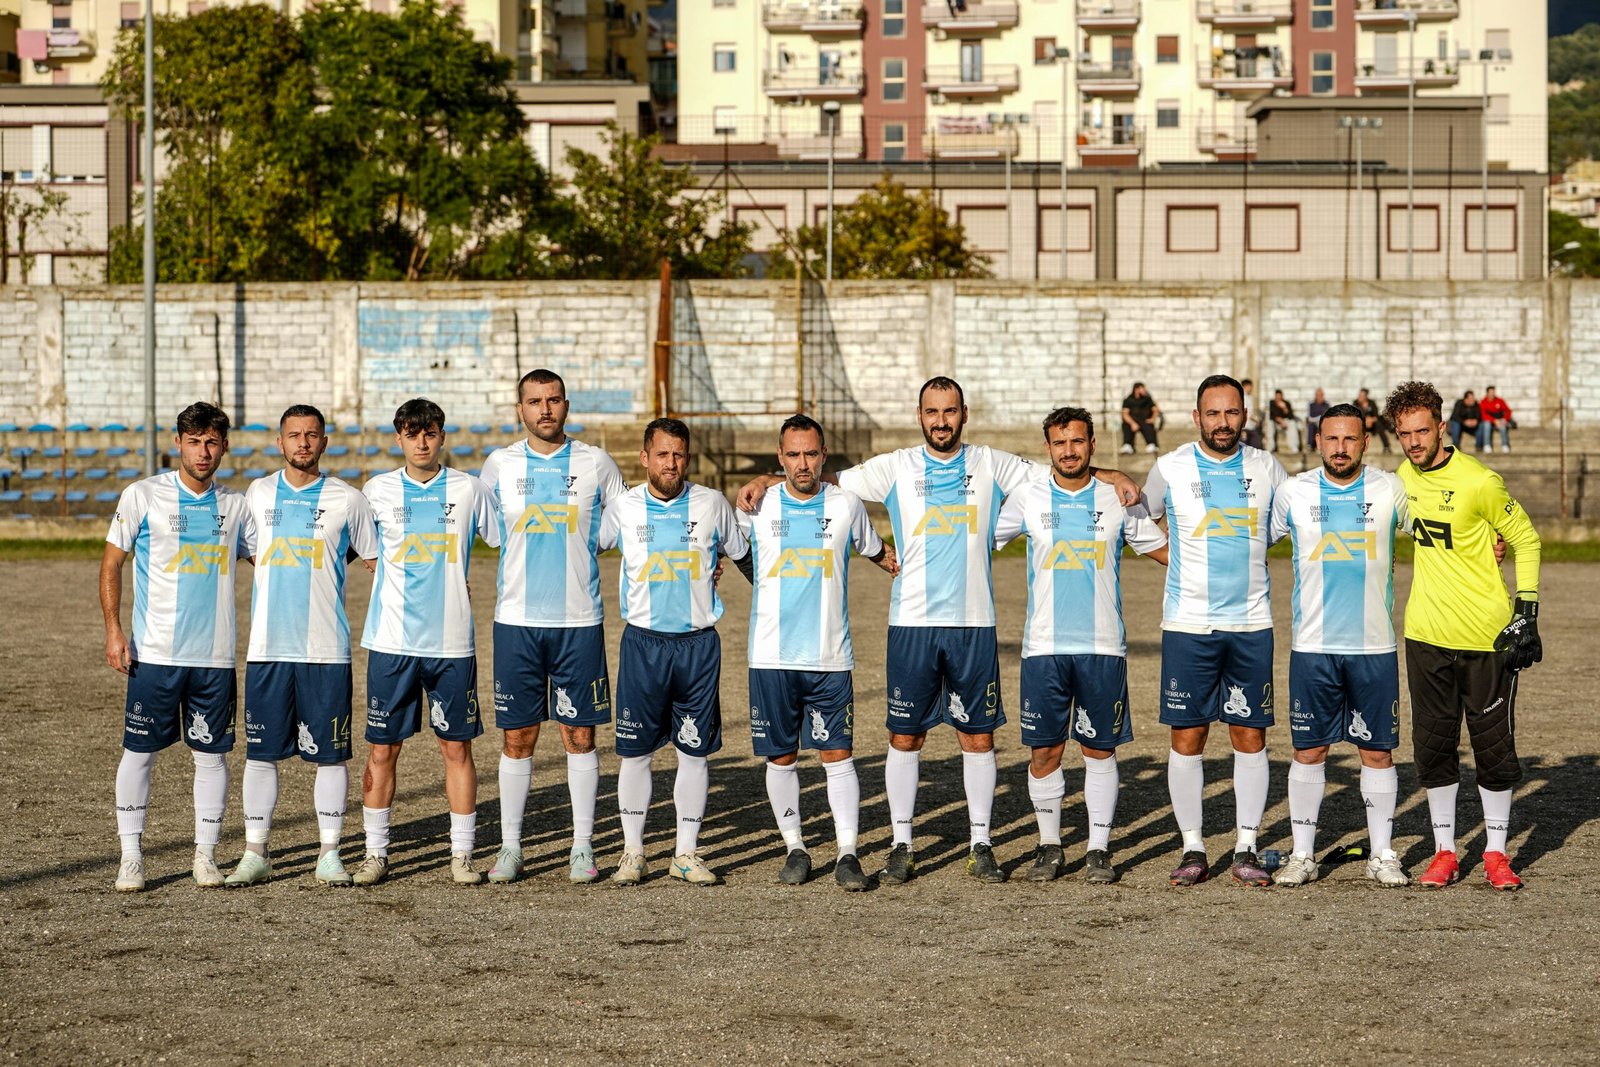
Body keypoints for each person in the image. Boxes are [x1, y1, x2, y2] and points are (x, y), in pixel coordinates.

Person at [735, 377, 1136, 885]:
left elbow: (1063, 467)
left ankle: (981, 842)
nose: (941, 421)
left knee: (978, 737)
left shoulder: (992, 463)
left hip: (973, 624)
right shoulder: (896, 467)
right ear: (919, 415)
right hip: (911, 624)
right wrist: (771, 480)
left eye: (949, 411)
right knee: (904, 737)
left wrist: (1113, 471)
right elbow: (819, 475)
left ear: (964, 414)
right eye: (932, 412)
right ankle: (902, 843)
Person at [993, 406, 1168, 884]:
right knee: (1044, 751)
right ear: (1047, 447)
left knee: (1099, 750)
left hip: (1103, 647)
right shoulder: (1028, 497)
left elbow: (1161, 551)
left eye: (1077, 441)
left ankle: (1098, 848)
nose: (1068, 451)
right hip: (1043, 648)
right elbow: (978, 538)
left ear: (1092, 444)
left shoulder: (1116, 498)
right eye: (1059, 443)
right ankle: (1050, 845)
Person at [1384, 381, 1542, 891]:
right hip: (1425, 634)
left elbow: (1527, 539)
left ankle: (1496, 853)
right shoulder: (1401, 478)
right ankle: (1445, 851)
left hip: (1485, 638)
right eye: (1404, 433)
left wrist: (1528, 609)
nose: (1413, 442)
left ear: (1441, 426)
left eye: (1421, 431)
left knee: (1493, 747)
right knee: (1433, 747)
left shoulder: (1480, 481)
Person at [478, 370, 626, 885]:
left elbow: (621, 521)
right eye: (534, 401)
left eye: (553, 400)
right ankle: (511, 846)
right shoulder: (498, 465)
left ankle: (582, 847)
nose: (545, 409)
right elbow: (484, 531)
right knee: (518, 737)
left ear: (567, 404)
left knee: (579, 735)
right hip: (516, 622)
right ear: (519, 408)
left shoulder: (595, 462)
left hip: (578, 621)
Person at [739, 414, 897, 890]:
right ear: (780, 456)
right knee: (781, 759)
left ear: (824, 455)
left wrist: (891, 557)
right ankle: (796, 847)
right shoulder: (756, 506)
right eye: (793, 454)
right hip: (770, 656)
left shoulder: (847, 505)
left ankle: (848, 853)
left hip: (830, 657)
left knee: (838, 756)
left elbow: (872, 548)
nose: (802, 463)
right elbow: (725, 546)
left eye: (811, 453)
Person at [102, 402, 255, 892]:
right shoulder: (143, 495)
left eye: (212, 442)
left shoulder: (236, 506)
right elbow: (111, 565)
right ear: (178, 444)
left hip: (213, 657)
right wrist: (113, 629)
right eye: (194, 442)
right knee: (139, 753)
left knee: (211, 757)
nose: (203, 452)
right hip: (155, 655)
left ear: (224, 446)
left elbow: (274, 560)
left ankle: (205, 857)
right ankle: (131, 857)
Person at [225, 404, 379, 888]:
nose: (303, 443)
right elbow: (252, 554)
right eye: (294, 435)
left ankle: (329, 853)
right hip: (268, 648)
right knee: (260, 754)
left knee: (330, 755)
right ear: (280, 441)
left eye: (312, 435)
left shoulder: (348, 500)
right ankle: (256, 852)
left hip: (326, 649)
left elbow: (370, 557)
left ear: (324, 441)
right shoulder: (257, 493)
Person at [1144, 374, 1288, 888]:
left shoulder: (1267, 466)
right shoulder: (1171, 467)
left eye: (1232, 413)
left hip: (1250, 624)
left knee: (1249, 735)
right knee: (1189, 736)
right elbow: (1137, 518)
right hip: (1188, 625)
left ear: (1244, 416)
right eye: (1213, 413)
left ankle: (1247, 845)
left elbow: (1283, 523)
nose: (1222, 422)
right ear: (1196, 416)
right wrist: (1171, 556)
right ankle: (1193, 848)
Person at [598, 418, 752, 886]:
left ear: (688, 458)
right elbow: (584, 547)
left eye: (679, 455)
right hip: (643, 642)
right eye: (662, 454)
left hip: (698, 645)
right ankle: (632, 852)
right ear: (644, 458)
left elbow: (744, 555)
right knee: (636, 754)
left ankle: (686, 853)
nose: (671, 463)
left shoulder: (711, 504)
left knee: (694, 753)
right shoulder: (623, 508)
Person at [354, 398, 501, 887]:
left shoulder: (468, 489)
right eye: (411, 433)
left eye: (430, 432)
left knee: (456, 748)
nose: (421, 441)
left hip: (452, 642)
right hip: (392, 642)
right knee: (382, 750)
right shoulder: (375, 491)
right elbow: (354, 547)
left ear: (442, 437)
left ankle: (462, 855)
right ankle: (376, 853)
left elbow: (506, 537)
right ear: (398, 438)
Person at [1267, 403, 1411, 888]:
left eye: (1350, 439)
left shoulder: (1391, 488)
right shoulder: (1293, 492)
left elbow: (1438, 531)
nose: (1340, 448)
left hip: (1375, 647)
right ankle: (1303, 855)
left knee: (1378, 752)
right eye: (1332, 439)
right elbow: (1246, 541)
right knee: (1309, 750)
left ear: (1365, 441)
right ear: (1318, 440)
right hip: (1313, 647)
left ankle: (1383, 854)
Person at [1119, 383, 1160, 455]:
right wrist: (1132, 423)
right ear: (1136, 389)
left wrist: (1152, 419)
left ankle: (1151, 444)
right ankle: (1128, 445)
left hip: (1144, 421)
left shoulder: (1147, 400)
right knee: (1126, 425)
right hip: (1132, 421)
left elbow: (1155, 410)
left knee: (1148, 425)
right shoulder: (1128, 400)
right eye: (1142, 388)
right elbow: (1125, 414)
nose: (1145, 390)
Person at [1355, 388, 1392, 453]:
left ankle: (1387, 447)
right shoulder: (1355, 403)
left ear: (1366, 396)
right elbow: (1355, 416)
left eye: (1362, 396)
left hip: (1372, 425)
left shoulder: (1371, 403)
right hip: (1362, 424)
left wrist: (1370, 420)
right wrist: (1365, 421)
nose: (1359, 397)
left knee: (1379, 424)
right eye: (1359, 395)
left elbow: (1376, 415)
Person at [1479, 386, 1513, 453]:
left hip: (1499, 420)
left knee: (1502, 426)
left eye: (1493, 392)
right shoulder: (1483, 402)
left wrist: (1505, 419)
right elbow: (1483, 415)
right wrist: (1494, 421)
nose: (1492, 394)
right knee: (1487, 425)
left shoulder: (1500, 401)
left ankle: (1505, 445)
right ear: (1487, 393)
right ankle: (1487, 445)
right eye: (1490, 392)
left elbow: (1508, 411)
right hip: (1489, 422)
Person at [1267, 389, 1301, 454]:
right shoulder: (1272, 403)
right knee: (1270, 423)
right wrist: (1281, 421)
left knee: (1292, 423)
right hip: (1276, 423)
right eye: (1277, 397)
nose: (1278, 398)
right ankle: (1270, 447)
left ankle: (1294, 446)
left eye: (1280, 397)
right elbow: (1272, 416)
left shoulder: (1286, 403)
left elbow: (1291, 416)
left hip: (1285, 422)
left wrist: (1284, 408)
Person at [1241, 379, 1263, 449]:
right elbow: (1247, 412)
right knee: (1246, 446)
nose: (1251, 389)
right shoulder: (1243, 397)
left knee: (1252, 445)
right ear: (1247, 386)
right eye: (1250, 386)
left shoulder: (1248, 397)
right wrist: (1256, 420)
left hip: (1250, 426)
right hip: (1245, 426)